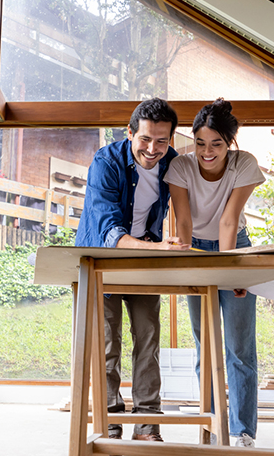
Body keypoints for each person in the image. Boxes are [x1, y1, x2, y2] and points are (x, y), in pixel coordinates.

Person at [75, 97, 189, 441]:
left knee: (149, 338)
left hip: (144, 260)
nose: (153, 149)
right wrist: (158, 248)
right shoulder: (106, 162)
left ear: (171, 139)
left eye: (162, 140)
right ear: (129, 133)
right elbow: (110, 232)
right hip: (103, 259)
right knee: (108, 344)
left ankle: (147, 425)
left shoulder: (173, 163)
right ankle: (109, 424)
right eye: (145, 139)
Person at [164, 98, 265, 447]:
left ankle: (242, 432)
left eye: (217, 144)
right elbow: (184, 221)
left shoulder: (244, 164)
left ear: (230, 143)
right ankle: (211, 421)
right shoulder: (180, 165)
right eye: (200, 143)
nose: (207, 152)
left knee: (239, 346)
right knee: (204, 343)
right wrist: (191, 266)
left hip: (233, 245)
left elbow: (228, 219)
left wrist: (232, 272)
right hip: (194, 248)